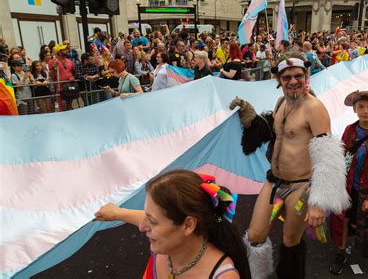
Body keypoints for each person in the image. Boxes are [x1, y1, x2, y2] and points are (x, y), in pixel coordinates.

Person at [228, 54, 350, 278]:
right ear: (278, 80)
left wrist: (318, 203)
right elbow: (277, 135)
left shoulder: (314, 108)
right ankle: (259, 275)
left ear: (306, 76)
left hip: (300, 187)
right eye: (287, 77)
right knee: (255, 235)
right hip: (274, 180)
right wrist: (253, 119)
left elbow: (329, 156)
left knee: (290, 240)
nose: (293, 81)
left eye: (298, 76)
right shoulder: (281, 103)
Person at [95, 170, 250, 279]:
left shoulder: (222, 276)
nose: (142, 227)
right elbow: (147, 218)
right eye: (147, 215)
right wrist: (118, 213)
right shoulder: (167, 244)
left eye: (152, 221)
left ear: (188, 225)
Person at [329, 90, 368, 275]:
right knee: (344, 218)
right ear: (355, 109)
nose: (365, 110)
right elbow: (341, 155)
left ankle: (361, 247)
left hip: (365, 189)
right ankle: (341, 252)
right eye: (361, 107)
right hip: (346, 186)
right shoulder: (349, 129)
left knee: (363, 221)